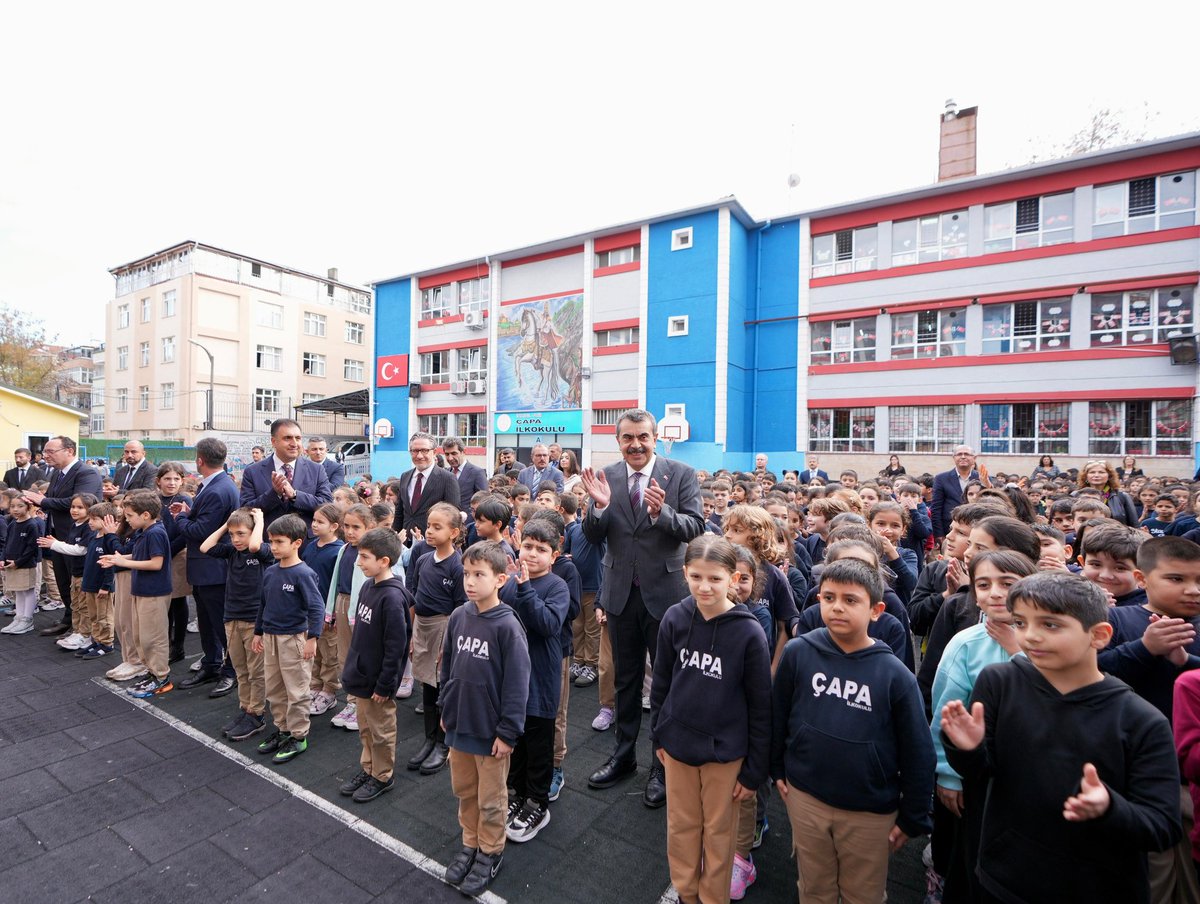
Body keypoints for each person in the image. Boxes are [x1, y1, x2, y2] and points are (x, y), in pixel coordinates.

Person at [941, 572, 1182, 903]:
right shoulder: (1000, 682)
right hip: (1002, 877)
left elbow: (1162, 827)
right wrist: (965, 748)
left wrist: (1110, 807)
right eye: (1021, 623)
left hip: (1094, 889)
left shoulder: (1142, 720)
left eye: (1050, 625)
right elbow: (982, 773)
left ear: (1099, 635)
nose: (1031, 637)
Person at [771, 558, 935, 904]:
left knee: (863, 893)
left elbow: (918, 751)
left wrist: (913, 816)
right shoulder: (799, 652)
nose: (837, 608)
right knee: (814, 887)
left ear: (876, 610)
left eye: (850, 600)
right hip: (806, 797)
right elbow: (778, 713)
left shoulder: (894, 675)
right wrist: (776, 770)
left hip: (868, 811)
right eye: (828, 598)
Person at [580, 409, 705, 808]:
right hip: (619, 595)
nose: (635, 444)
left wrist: (660, 514)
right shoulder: (609, 477)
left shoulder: (681, 473)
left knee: (666, 684)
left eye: (643, 437)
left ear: (655, 438)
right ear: (618, 441)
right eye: (627, 438)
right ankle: (623, 757)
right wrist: (597, 509)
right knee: (626, 681)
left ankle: (661, 765)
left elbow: (695, 528)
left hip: (666, 596)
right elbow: (593, 534)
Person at [650, 537, 771, 904]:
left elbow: (761, 706)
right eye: (696, 577)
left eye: (715, 579)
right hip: (678, 747)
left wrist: (754, 771)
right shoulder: (674, 618)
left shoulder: (749, 632)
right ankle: (687, 893)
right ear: (685, 573)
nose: (704, 586)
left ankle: (712, 898)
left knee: (719, 834)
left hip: (725, 755)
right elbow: (662, 683)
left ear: (733, 579)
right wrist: (658, 736)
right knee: (682, 827)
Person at [928, 550, 1037, 900]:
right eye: (983, 585)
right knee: (971, 856)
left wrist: (1019, 650)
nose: (995, 593)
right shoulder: (966, 645)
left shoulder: (1050, 640)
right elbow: (944, 712)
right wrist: (947, 774)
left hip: (1031, 776)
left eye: (1008, 583)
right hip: (976, 777)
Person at [440, 540, 531, 896]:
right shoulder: (460, 616)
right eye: (467, 574)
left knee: (491, 798)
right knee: (465, 791)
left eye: (480, 574)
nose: (470, 581)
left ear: (501, 579)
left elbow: (517, 683)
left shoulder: (507, 626)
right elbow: (447, 665)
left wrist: (508, 732)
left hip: (490, 733)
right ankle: (471, 842)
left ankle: (490, 851)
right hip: (460, 725)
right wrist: (447, 709)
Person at [499, 517, 570, 844]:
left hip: (541, 676)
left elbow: (547, 625)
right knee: (518, 738)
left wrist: (526, 587)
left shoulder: (557, 586)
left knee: (539, 743)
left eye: (541, 550)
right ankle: (518, 792)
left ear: (554, 556)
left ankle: (537, 802)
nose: (532, 554)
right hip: (513, 677)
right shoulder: (511, 582)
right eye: (527, 546)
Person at [338, 527, 412, 803]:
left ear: (384, 561)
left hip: (378, 683)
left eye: (365, 557)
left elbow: (396, 648)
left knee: (381, 731)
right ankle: (369, 768)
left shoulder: (392, 597)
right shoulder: (369, 586)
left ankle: (382, 775)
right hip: (362, 677)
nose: (359, 562)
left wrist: (385, 685)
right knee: (366, 728)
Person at [252, 514, 325, 764]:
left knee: (296, 689)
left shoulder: (303, 574)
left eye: (279, 542)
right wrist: (259, 631)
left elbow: (316, 607)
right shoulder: (271, 572)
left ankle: (298, 734)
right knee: (274, 687)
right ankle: (283, 729)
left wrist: (312, 638)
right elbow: (264, 603)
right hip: (271, 637)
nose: (273, 547)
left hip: (294, 638)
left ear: (297, 543)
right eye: (270, 542)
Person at [172, 438, 240, 692]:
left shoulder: (216, 489)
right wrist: (189, 510)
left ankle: (231, 671)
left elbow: (201, 530)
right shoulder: (215, 485)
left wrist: (180, 518)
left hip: (213, 568)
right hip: (207, 568)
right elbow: (202, 520)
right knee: (207, 622)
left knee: (221, 624)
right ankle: (212, 664)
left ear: (200, 460)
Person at [201, 508, 271, 742]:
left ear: (254, 533)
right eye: (232, 535)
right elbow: (205, 547)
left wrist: (259, 520)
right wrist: (226, 525)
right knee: (240, 669)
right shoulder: (232, 551)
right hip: (231, 617)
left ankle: (257, 714)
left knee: (256, 671)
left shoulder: (262, 552)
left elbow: (254, 546)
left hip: (254, 620)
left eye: (241, 533)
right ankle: (246, 709)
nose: (236, 539)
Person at [408, 502, 468, 774]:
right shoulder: (422, 559)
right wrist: (412, 634)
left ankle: (444, 743)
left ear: (454, 532)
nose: (429, 531)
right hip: (423, 627)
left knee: (444, 687)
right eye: (429, 525)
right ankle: (429, 738)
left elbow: (460, 608)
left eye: (437, 527)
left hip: (444, 629)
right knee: (428, 687)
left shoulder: (457, 565)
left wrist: (450, 642)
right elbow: (414, 597)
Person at [23, 436, 103, 638]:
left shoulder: (87, 473)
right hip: (58, 534)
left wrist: (43, 500)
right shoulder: (57, 473)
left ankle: (85, 627)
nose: (46, 455)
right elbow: (54, 501)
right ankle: (70, 618)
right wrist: (36, 502)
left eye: (51, 451)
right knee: (63, 581)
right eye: (46, 451)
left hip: (77, 537)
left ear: (69, 451)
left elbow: (77, 503)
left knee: (78, 582)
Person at [100, 491, 174, 698]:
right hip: (141, 590)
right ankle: (151, 672)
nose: (126, 519)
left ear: (146, 515)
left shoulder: (155, 532)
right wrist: (118, 559)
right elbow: (141, 555)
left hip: (154, 593)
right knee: (142, 636)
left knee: (154, 637)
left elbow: (156, 563)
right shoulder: (144, 532)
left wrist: (123, 562)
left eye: (130, 515)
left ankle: (161, 677)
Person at [328, 504, 377, 730]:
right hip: (343, 603)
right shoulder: (343, 549)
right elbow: (336, 581)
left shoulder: (371, 553)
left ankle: (363, 704)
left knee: (362, 658)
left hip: (362, 609)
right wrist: (331, 609)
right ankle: (351, 702)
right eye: (346, 526)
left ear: (370, 527)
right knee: (344, 656)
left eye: (356, 527)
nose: (349, 531)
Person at [240, 419, 333, 528]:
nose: (294, 444)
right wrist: (274, 494)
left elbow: (326, 504)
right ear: (274, 441)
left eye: (298, 438)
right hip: (267, 541)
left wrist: (295, 495)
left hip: (305, 541)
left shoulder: (316, 470)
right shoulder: (252, 471)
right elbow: (245, 510)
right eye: (287, 438)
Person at [304, 503, 346, 717]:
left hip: (327, 614)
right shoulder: (310, 546)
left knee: (330, 654)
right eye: (314, 520)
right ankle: (314, 686)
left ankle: (329, 691)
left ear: (334, 526)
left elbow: (338, 584)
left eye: (320, 522)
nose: (314, 525)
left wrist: (333, 613)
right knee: (313, 653)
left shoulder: (339, 551)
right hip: (309, 612)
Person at [155, 463, 194, 669]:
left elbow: (184, 532)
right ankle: (167, 642)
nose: (172, 483)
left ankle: (178, 646)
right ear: (159, 480)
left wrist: (167, 550)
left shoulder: (184, 499)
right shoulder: (156, 500)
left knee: (178, 601)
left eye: (176, 479)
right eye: (168, 479)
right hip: (159, 554)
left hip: (177, 554)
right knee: (165, 602)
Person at [391, 432, 461, 538]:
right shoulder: (405, 476)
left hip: (432, 544)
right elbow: (400, 512)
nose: (419, 456)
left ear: (434, 452)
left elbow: (452, 516)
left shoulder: (447, 478)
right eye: (415, 451)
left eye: (424, 450)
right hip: (405, 543)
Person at [0, 496, 43, 634]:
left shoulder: (32, 525)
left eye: (20, 506)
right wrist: (3, 558)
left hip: (25, 565)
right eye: (13, 506)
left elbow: (32, 548)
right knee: (18, 591)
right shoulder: (13, 523)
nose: (15, 509)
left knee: (28, 590)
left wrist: (18, 562)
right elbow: (7, 543)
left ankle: (27, 619)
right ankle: (19, 617)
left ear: (28, 507)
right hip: (12, 564)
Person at [931, 445, 980, 542]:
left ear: (974, 458)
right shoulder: (941, 478)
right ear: (953, 458)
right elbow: (936, 508)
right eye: (959, 454)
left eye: (966, 454)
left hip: (976, 529)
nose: (963, 456)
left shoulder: (981, 478)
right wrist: (939, 534)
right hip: (949, 529)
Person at [1078, 459, 1139, 526]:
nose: (1096, 475)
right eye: (1092, 472)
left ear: (1109, 476)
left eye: (1101, 472)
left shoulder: (1122, 496)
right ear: (1086, 476)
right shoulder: (1076, 495)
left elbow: (1134, 524)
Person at [442, 436, 487, 512]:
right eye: (447, 454)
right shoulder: (445, 473)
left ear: (464, 451)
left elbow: (484, 501)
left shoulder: (477, 472)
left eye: (454, 453)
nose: (450, 458)